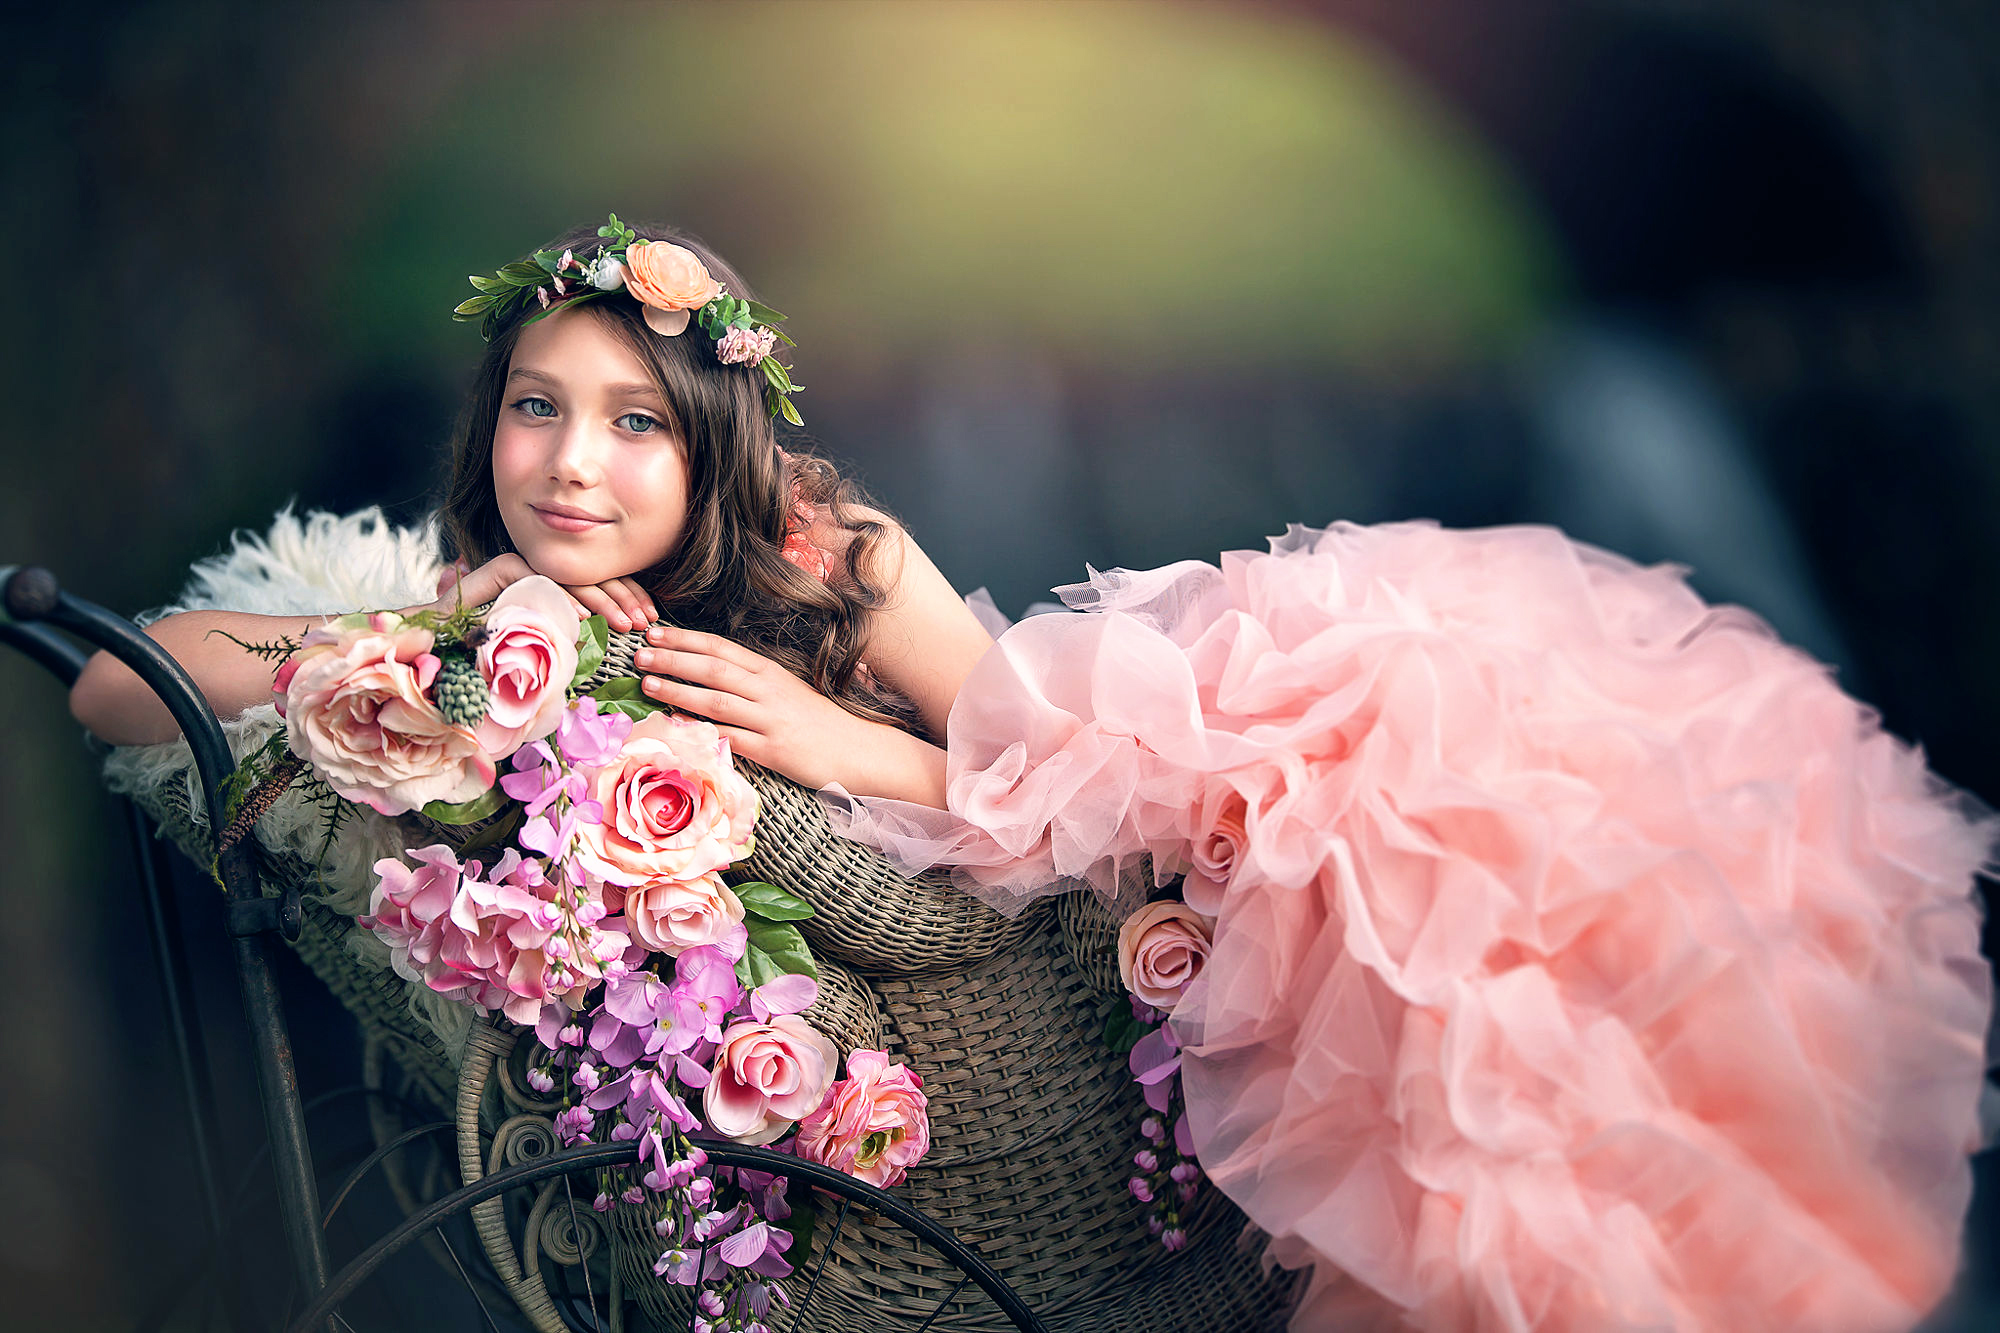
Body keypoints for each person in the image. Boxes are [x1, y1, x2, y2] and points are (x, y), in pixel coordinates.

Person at [68, 219, 1994, 1333]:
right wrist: (442, 638)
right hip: (844, 1197)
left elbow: (1084, 779)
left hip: (1075, 1038)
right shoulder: (489, 622)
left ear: (715, 440)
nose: (574, 465)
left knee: (1376, 801)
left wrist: (842, 740)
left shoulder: (836, 554)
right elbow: (118, 694)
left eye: (636, 422)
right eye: (536, 411)